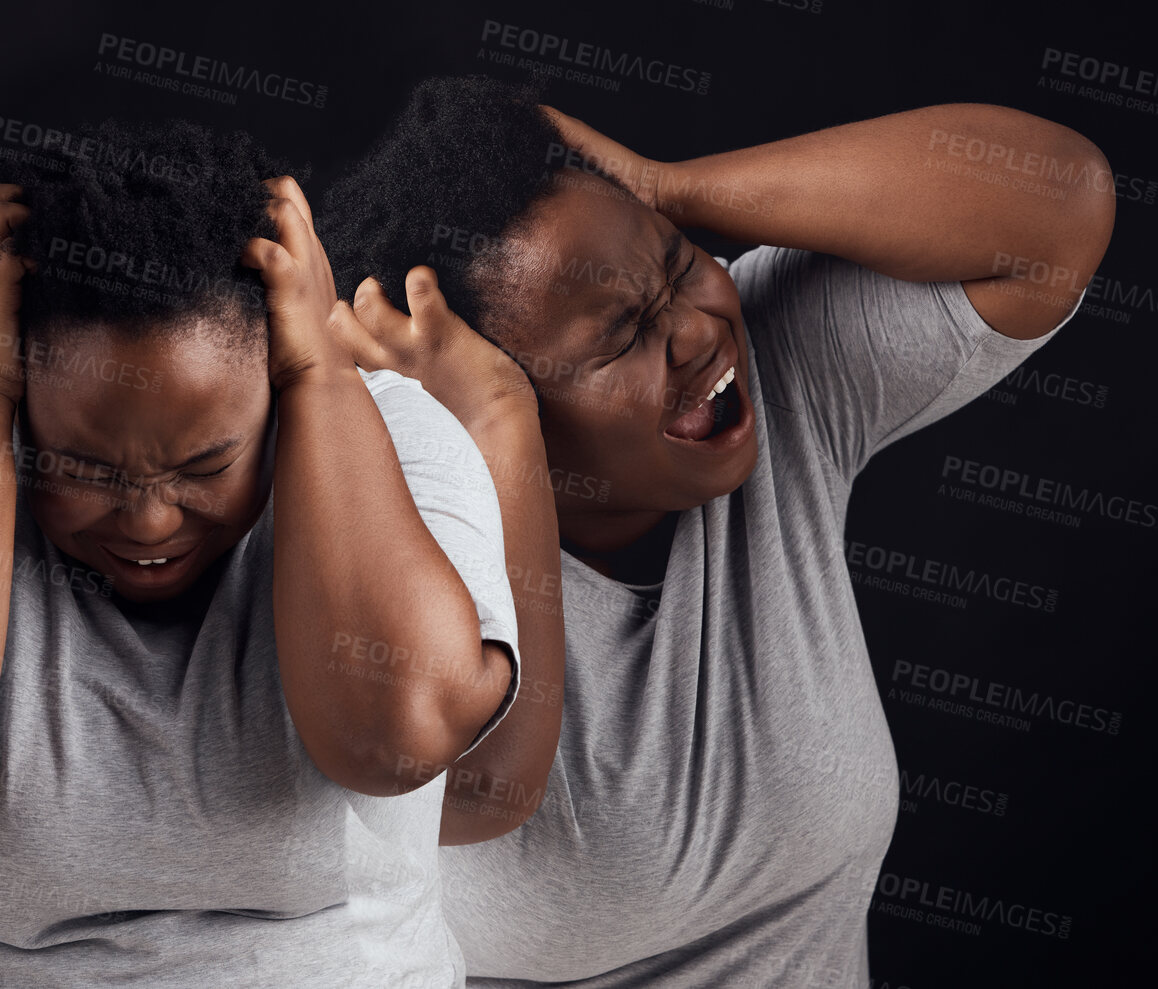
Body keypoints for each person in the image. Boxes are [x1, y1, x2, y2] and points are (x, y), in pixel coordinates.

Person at [321, 76, 1114, 986]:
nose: (699, 330)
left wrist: (663, 190)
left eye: (679, 264)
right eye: (620, 337)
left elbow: (1061, 206)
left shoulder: (779, 382)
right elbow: (478, 792)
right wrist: (497, 424)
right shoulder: (396, 550)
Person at [0, 119, 536, 987]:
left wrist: (321, 377)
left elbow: (394, 733)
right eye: (82, 468)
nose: (150, 523)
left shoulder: (394, 431)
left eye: (206, 465)